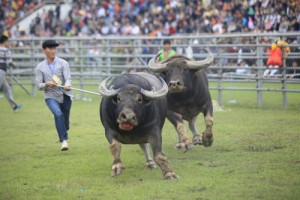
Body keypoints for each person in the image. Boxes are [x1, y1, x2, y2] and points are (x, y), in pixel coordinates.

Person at [35, 40, 72, 151]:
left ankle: (64, 128)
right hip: (50, 96)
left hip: (65, 95)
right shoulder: (40, 67)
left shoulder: (63, 63)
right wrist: (47, 84)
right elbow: (38, 85)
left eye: (54, 49)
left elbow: (68, 78)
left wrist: (67, 85)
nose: (53, 51)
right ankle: (64, 140)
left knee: (65, 123)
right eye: (50, 49)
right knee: (58, 114)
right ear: (44, 50)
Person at [0, 34, 23, 112]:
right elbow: (9, 61)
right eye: (8, 41)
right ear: (5, 41)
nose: (8, 43)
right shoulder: (6, 50)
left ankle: (14, 106)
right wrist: (14, 64)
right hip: (1, 71)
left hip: (2, 72)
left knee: (7, 89)